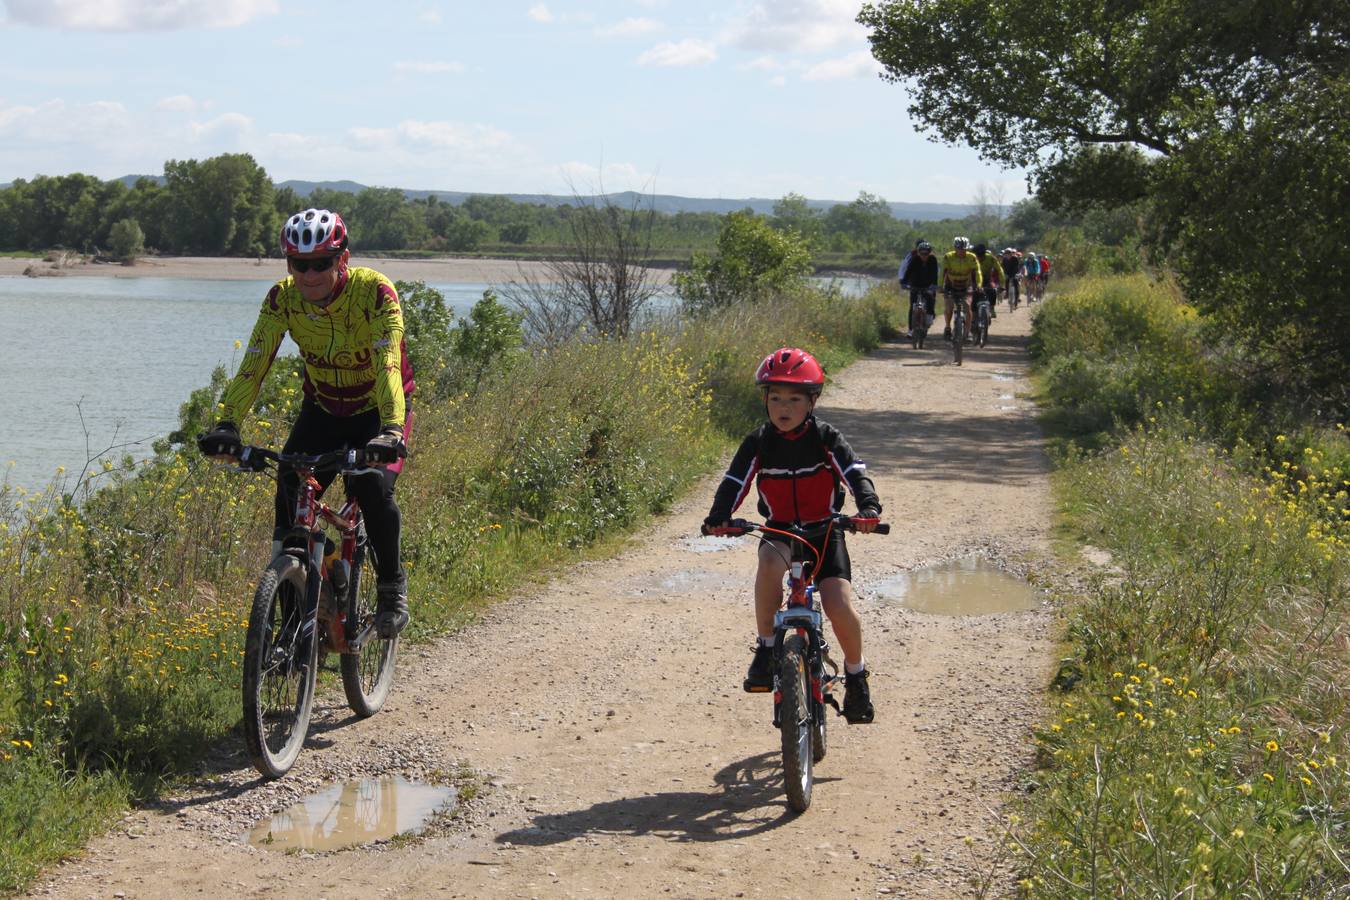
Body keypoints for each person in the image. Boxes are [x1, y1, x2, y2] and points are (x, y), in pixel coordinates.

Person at [197, 208, 416, 638]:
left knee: (371, 486)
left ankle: (392, 588)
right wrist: (227, 424)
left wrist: (390, 430)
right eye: (300, 264)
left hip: (379, 410)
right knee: (290, 487)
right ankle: (291, 625)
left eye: (322, 262)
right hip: (323, 410)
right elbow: (255, 363)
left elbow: (389, 364)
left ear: (343, 259)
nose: (310, 274)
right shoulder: (283, 299)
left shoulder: (375, 294)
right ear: (288, 264)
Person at [702, 348, 883, 724]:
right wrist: (720, 516)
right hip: (779, 529)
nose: (783, 407)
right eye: (775, 398)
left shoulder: (826, 437)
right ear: (765, 400)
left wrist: (868, 508)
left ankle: (856, 675)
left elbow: (854, 471)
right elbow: (735, 481)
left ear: (812, 401)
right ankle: (767, 648)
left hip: (825, 530)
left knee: (838, 604)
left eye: (795, 399)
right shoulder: (758, 442)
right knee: (768, 561)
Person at [941, 236, 981, 341]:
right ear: (955, 248)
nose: (961, 252)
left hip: (966, 286)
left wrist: (979, 285)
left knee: (967, 306)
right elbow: (942, 272)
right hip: (951, 285)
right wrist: (940, 285)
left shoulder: (972, 257)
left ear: (967, 249)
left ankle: (967, 333)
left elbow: (978, 272)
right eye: (959, 249)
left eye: (964, 249)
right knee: (949, 307)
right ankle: (948, 327)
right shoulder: (948, 257)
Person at [901, 240, 938, 337]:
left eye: (926, 253)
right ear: (918, 252)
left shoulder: (933, 260)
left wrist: (934, 286)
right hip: (915, 284)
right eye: (921, 253)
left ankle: (930, 317)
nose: (924, 256)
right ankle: (910, 330)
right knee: (912, 306)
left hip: (928, 285)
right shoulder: (915, 259)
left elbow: (935, 274)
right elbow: (908, 272)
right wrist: (904, 282)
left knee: (931, 300)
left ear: (929, 253)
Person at [973, 243, 1001, 320]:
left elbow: (1000, 270)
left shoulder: (991, 258)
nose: (979, 257)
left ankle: (992, 307)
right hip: (974, 280)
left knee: (993, 291)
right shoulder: (971, 258)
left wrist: (1002, 284)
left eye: (981, 255)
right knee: (972, 296)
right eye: (977, 255)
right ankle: (973, 315)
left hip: (987, 280)